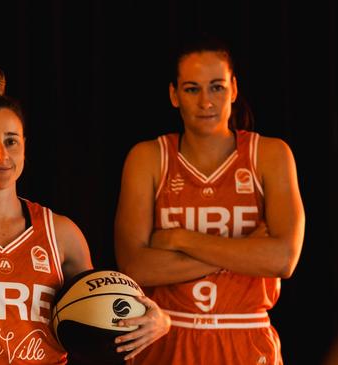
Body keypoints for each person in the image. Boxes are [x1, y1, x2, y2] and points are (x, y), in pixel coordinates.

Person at [0, 60, 170, 364]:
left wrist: (156, 319)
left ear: (24, 146)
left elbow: (100, 322)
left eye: (11, 141)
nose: (1, 154)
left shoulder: (62, 233)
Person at [114, 34, 305, 364]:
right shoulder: (148, 157)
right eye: (192, 89)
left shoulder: (270, 154)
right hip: (165, 333)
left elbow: (283, 259)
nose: (206, 102)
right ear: (174, 95)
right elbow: (136, 267)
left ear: (233, 88)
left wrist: (179, 239)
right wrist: (247, 251)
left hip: (246, 335)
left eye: (216, 87)